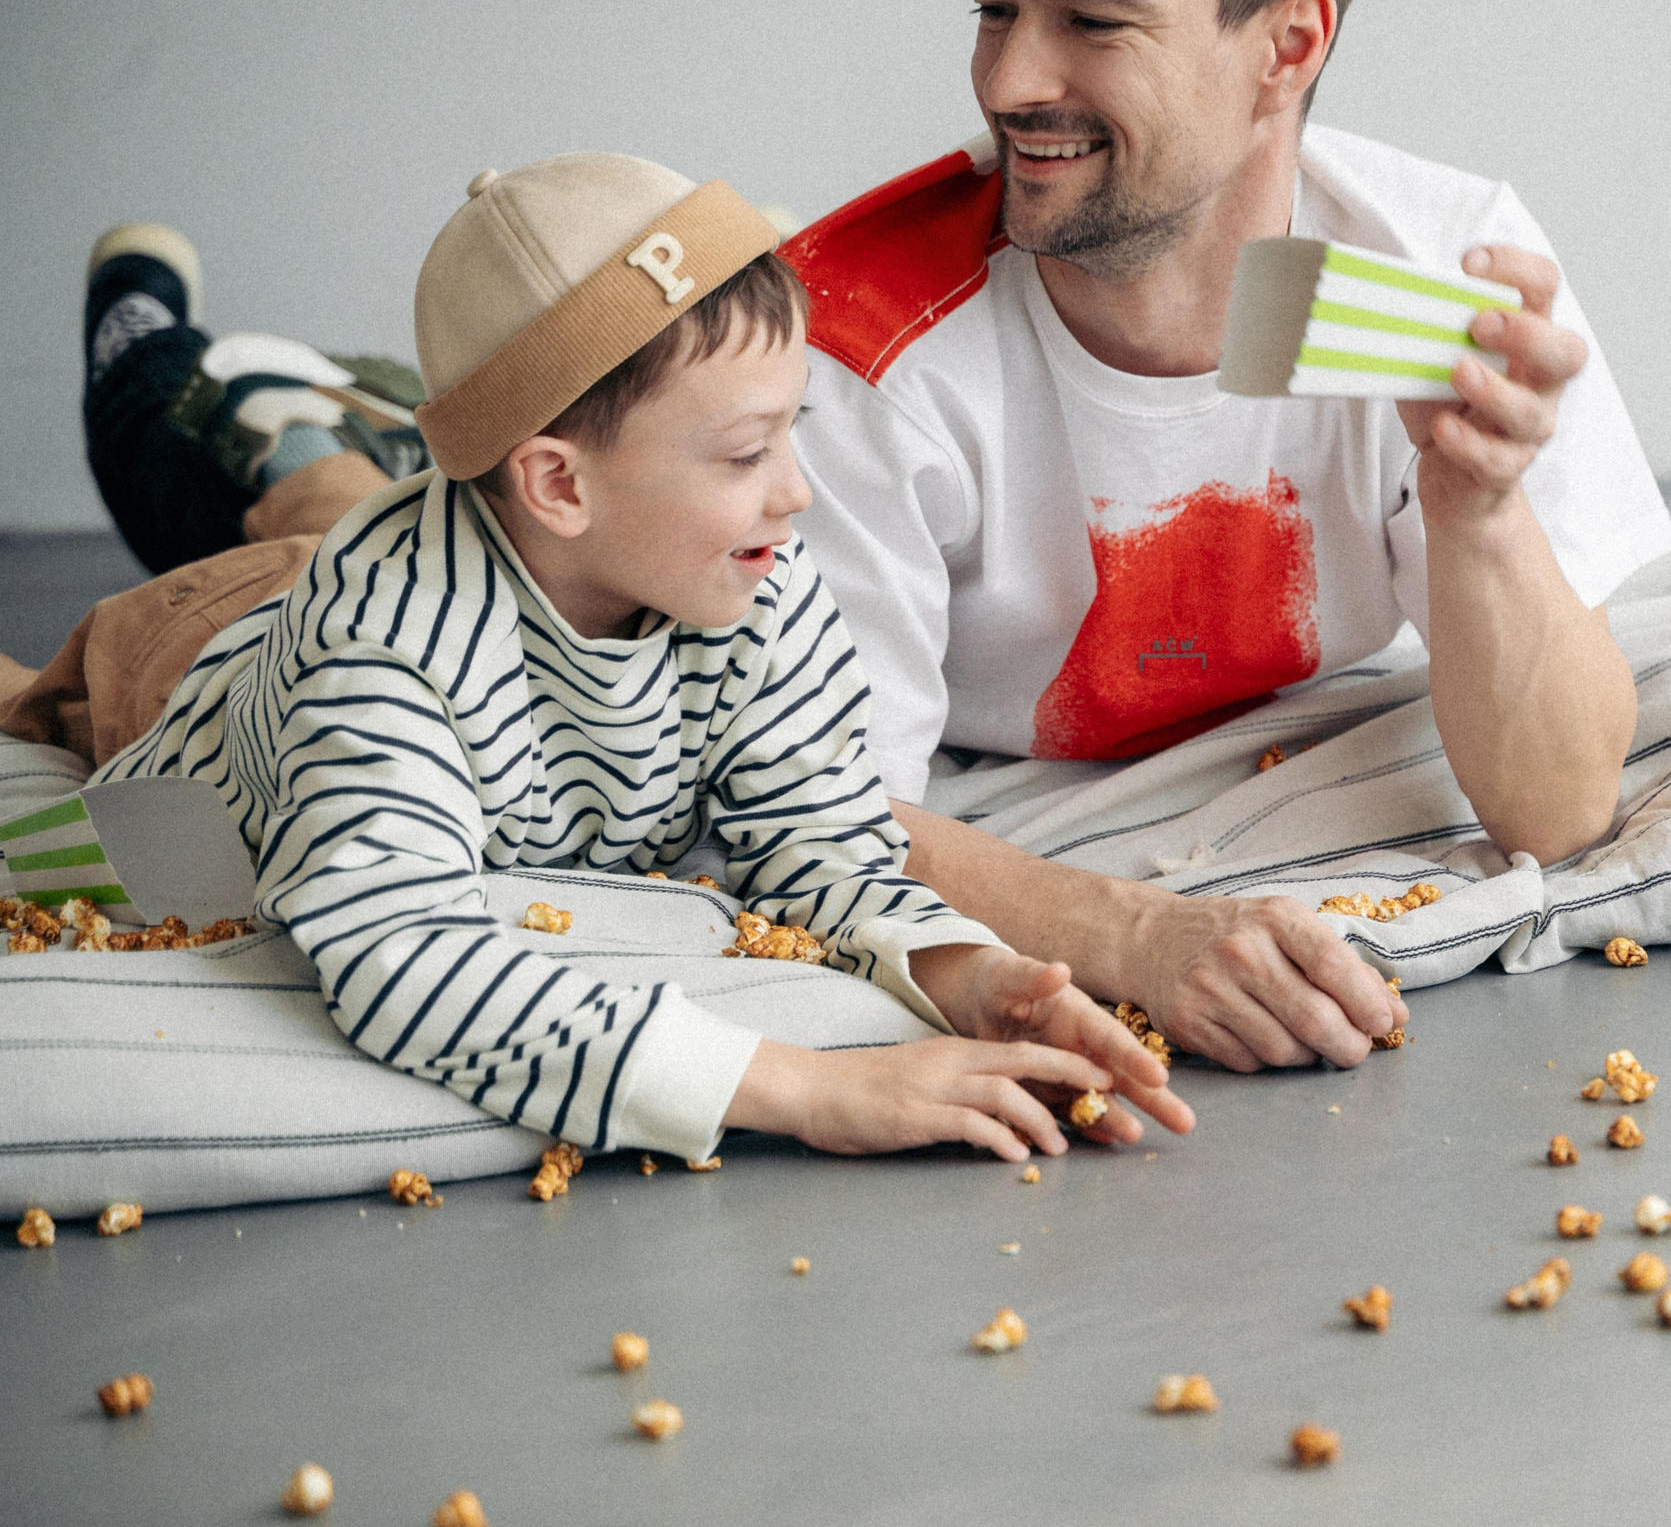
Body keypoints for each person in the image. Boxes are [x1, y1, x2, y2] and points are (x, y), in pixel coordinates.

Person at [90, 153, 1191, 1169]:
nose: (797, 489)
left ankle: (321, 434)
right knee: (162, 557)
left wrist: (970, 974)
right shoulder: (379, 646)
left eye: (792, 428)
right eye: (746, 451)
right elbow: (401, 960)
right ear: (561, 484)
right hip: (200, 670)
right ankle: (167, 351)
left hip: (471, 546)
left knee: (340, 501)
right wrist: (808, 1087)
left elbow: (822, 839)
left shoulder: (751, 577)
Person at [782, 0, 1671, 1072]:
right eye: (993, 10)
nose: (1008, 82)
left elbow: (1554, 814)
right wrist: (1138, 933)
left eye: (1092, 22)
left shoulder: (1440, 268)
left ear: (1286, 45)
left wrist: (1481, 511)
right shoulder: (848, 345)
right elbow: (807, 818)